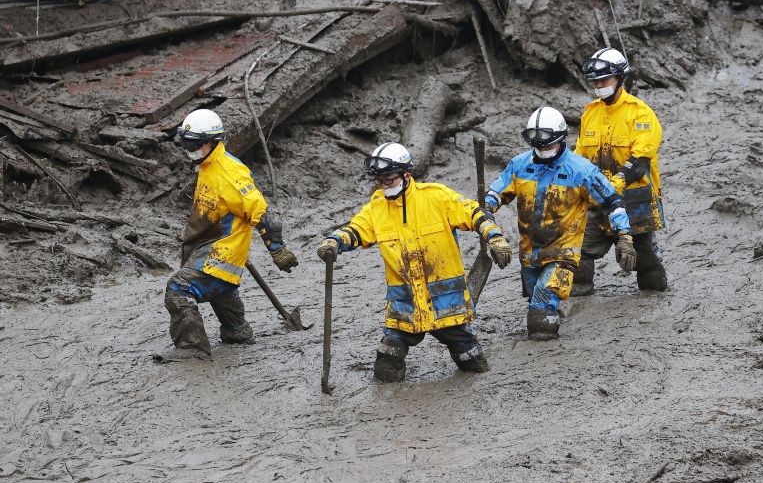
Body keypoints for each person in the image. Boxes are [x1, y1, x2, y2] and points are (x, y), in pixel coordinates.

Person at [316, 142, 512, 382]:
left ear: (406, 175)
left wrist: (496, 238)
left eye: (389, 179)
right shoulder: (376, 208)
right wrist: (334, 242)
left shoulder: (437, 197)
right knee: (386, 365)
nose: (384, 185)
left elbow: (474, 213)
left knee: (471, 363)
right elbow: (355, 230)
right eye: (380, 181)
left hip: (447, 305)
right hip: (405, 307)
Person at [156, 109, 298, 363]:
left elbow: (263, 214)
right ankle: (237, 332)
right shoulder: (207, 164)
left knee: (179, 287)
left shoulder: (230, 173)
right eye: (186, 143)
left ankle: (191, 347)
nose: (190, 149)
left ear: (211, 141)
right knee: (221, 290)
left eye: (195, 144)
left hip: (220, 253)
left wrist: (278, 249)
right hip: (208, 246)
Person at [485, 106, 635, 340]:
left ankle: (541, 357)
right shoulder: (519, 165)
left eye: (548, 143)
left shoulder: (582, 170)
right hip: (529, 252)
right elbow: (495, 194)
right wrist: (485, 213)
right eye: (537, 144)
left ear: (562, 138)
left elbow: (612, 203)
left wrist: (624, 236)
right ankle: (549, 312)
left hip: (563, 253)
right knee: (535, 296)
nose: (542, 148)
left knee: (540, 315)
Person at [572, 47, 668, 295]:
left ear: (620, 78)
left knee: (645, 261)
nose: (598, 85)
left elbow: (639, 163)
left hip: (633, 200)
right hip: (596, 200)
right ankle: (580, 295)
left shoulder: (640, 113)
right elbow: (579, 158)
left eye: (604, 79)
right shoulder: (590, 113)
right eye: (595, 81)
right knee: (579, 249)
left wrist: (615, 184)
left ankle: (653, 297)